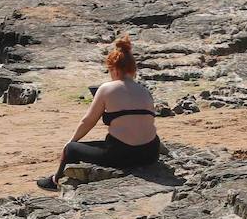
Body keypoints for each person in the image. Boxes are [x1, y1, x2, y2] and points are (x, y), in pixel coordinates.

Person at [36, 36, 160, 191]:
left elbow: (88, 121)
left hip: (122, 155)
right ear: (132, 69)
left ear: (114, 68)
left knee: (72, 149)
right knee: (116, 140)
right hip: (150, 153)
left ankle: (55, 181)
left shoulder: (106, 88)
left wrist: (70, 142)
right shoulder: (145, 91)